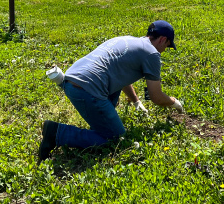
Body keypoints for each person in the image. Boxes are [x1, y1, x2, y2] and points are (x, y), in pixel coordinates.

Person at [38, 20, 184, 161]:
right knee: (115, 139)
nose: (165, 50)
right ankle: (57, 133)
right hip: (87, 90)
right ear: (163, 39)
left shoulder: (128, 40)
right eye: (168, 45)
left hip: (71, 80)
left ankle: (101, 121)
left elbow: (121, 75)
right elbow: (156, 97)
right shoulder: (152, 53)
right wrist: (174, 102)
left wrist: (136, 101)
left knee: (111, 90)